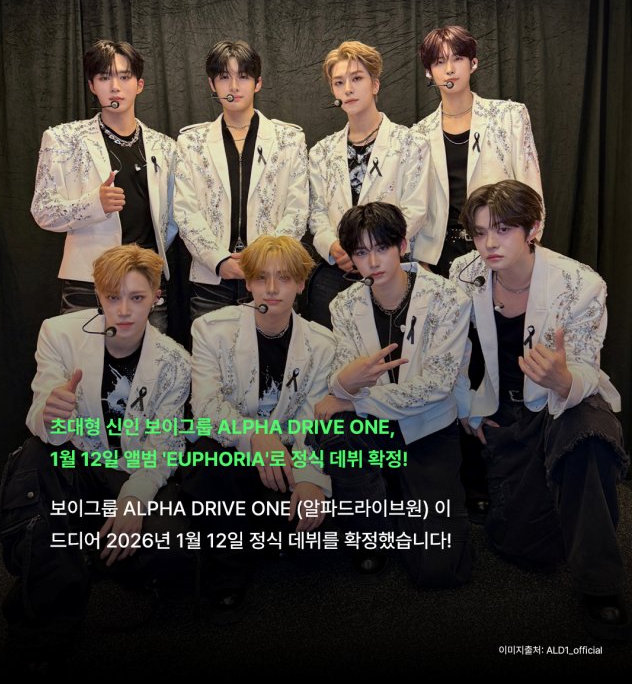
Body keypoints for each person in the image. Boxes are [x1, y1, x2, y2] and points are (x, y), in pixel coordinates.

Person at [450, 180, 629, 640]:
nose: (489, 244)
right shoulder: (463, 274)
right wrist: (468, 406)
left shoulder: (580, 283)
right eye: (480, 232)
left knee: (590, 438)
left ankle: (601, 583)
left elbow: (587, 365)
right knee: (524, 546)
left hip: (565, 400)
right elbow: (451, 352)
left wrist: (563, 379)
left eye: (503, 230)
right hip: (507, 408)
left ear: (533, 229)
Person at [0, 245, 192, 665]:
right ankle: (43, 625)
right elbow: (41, 416)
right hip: (76, 461)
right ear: (99, 295)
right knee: (36, 456)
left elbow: (165, 445)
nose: (123, 310)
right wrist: (50, 412)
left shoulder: (175, 360)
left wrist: (135, 499)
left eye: (136, 297)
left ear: (156, 297)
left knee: (176, 548)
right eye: (112, 297)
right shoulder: (59, 333)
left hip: (128, 470)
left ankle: (79, 555)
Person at [313, 203, 472, 586]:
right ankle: (369, 530)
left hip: (429, 426)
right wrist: (344, 387)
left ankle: (404, 496)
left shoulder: (448, 297)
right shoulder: (344, 306)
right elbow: (344, 377)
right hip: (372, 428)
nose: (373, 262)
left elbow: (436, 386)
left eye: (381, 248)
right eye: (361, 252)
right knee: (334, 429)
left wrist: (352, 397)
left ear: (402, 245)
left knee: (439, 570)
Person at [183, 235, 335, 614]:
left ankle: (265, 532)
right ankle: (226, 573)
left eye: (283, 278)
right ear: (248, 283)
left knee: (312, 526)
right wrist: (255, 436)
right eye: (262, 278)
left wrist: (308, 477)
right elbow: (205, 406)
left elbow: (312, 419)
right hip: (232, 448)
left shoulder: (323, 344)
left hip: (285, 455)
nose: (272, 288)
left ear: (300, 284)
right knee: (207, 461)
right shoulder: (210, 329)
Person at [30, 39, 177, 333]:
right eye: (105, 77)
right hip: (89, 281)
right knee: (84, 361)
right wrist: (94, 204)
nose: (115, 86)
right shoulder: (63, 139)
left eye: (124, 76)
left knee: (151, 360)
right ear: (92, 85)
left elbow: (171, 221)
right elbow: (42, 210)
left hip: (146, 280)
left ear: (139, 84)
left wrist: (152, 263)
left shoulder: (166, 147)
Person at [174, 40, 309, 322]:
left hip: (272, 279)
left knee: (274, 349)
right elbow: (185, 211)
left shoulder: (289, 139)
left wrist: (264, 261)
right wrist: (219, 260)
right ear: (212, 84)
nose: (234, 86)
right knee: (212, 350)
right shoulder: (192, 142)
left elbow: (297, 210)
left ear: (258, 83)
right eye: (224, 77)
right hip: (211, 280)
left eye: (243, 76)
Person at [307, 40, 429, 329]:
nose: (348, 89)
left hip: (392, 270)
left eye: (357, 79)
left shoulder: (411, 143)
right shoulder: (321, 151)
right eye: (339, 82)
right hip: (337, 271)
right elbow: (317, 213)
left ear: (375, 84)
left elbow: (415, 209)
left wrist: (370, 249)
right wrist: (334, 246)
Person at [413, 25, 544, 277]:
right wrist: (421, 259)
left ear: (473, 63)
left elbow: (531, 188)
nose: (449, 69)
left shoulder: (509, 116)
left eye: (457, 58)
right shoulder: (418, 134)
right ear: (429, 72)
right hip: (441, 254)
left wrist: (530, 246)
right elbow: (418, 204)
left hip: (502, 243)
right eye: (439, 62)